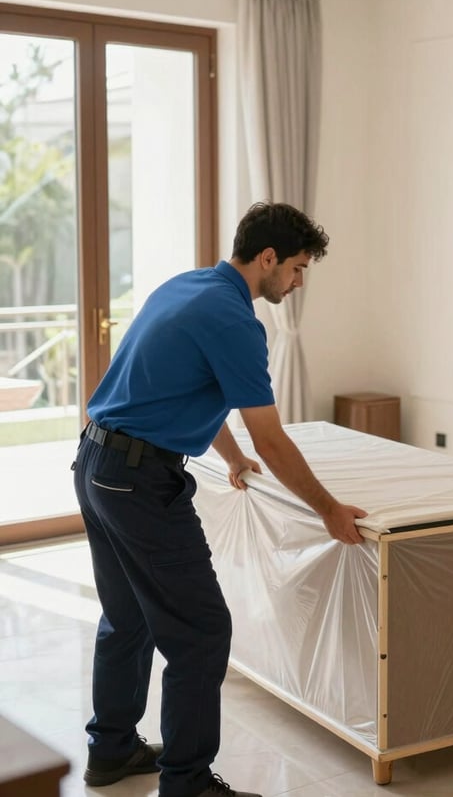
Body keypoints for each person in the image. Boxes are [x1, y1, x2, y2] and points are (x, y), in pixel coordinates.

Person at [73, 201, 368, 797]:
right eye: (297, 268)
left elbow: (185, 388)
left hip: (97, 463)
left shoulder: (190, 287)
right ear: (268, 259)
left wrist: (231, 459)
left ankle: (110, 750)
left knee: (128, 615)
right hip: (138, 481)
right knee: (201, 631)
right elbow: (273, 437)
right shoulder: (236, 321)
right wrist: (330, 510)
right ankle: (187, 783)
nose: (298, 281)